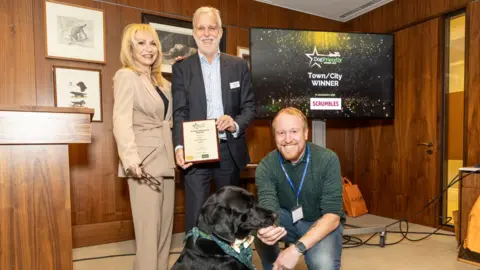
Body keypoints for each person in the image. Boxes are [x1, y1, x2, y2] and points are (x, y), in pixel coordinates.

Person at [172, 6, 256, 233]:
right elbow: (179, 111)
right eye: (201, 28)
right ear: (194, 33)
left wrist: (235, 123)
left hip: (229, 149)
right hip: (195, 151)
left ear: (220, 32)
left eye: (212, 27)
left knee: (231, 213)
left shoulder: (238, 66)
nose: (207, 33)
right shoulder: (181, 68)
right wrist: (179, 145)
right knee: (196, 213)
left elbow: (249, 107)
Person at [113, 23, 175, 270]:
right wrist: (130, 160)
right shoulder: (126, 76)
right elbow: (120, 119)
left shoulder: (162, 82)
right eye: (141, 43)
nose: (148, 49)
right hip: (143, 162)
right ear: (130, 48)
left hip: (167, 160)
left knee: (164, 233)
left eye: (152, 44)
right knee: (149, 234)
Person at [254, 107, 345, 270]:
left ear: (305, 133)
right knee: (258, 223)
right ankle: (273, 266)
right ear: (274, 136)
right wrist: (268, 228)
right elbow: (268, 204)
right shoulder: (266, 165)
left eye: (294, 131)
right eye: (281, 133)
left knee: (323, 265)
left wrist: (296, 250)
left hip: (320, 220)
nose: (288, 139)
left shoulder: (327, 159)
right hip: (286, 220)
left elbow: (332, 216)